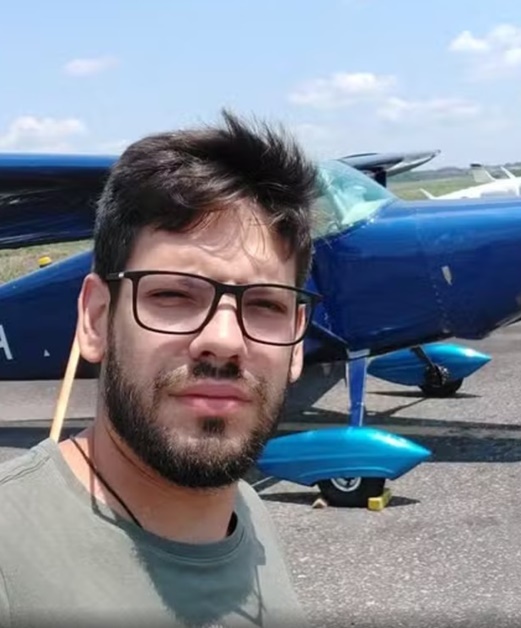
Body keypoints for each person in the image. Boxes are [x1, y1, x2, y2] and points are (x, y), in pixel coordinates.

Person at [0, 109, 320, 627]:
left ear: (297, 338)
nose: (223, 340)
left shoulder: (244, 512)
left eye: (266, 305)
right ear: (97, 319)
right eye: (172, 294)